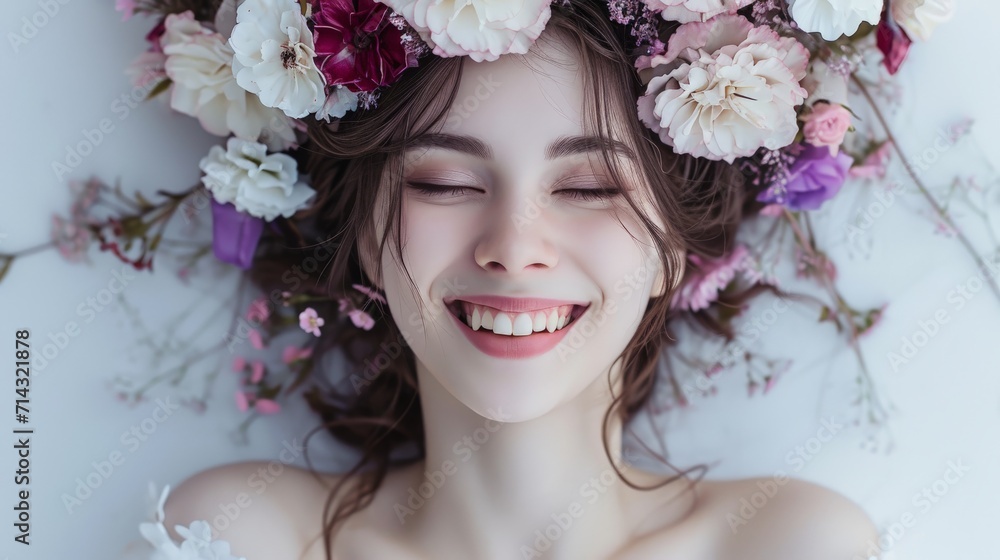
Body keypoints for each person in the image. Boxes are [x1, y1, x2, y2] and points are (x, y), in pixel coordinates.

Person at [151, 1, 881, 559]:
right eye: (442, 182)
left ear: (672, 249)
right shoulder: (248, 537)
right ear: (365, 235)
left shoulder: (791, 544)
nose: (514, 246)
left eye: (591, 187)